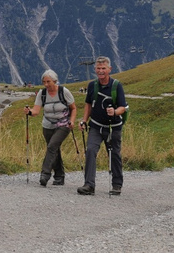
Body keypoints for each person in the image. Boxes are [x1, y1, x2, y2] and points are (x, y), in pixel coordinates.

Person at [74, 57, 128, 196]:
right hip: (96, 126)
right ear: (95, 69)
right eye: (98, 68)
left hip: (113, 127)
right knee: (91, 150)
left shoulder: (117, 85)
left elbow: (123, 107)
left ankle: (116, 184)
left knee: (114, 154)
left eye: (104, 68)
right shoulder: (92, 85)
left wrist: (115, 112)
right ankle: (89, 185)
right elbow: (88, 104)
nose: (101, 71)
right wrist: (84, 120)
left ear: (110, 69)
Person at [24, 70, 73, 187]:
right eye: (44, 82)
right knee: (54, 148)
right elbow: (36, 111)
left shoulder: (63, 91)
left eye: (48, 82)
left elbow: (73, 108)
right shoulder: (42, 93)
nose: (46, 84)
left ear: (55, 81)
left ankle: (45, 174)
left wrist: (72, 120)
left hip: (63, 124)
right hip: (47, 125)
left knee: (52, 146)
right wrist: (29, 112)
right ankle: (59, 177)